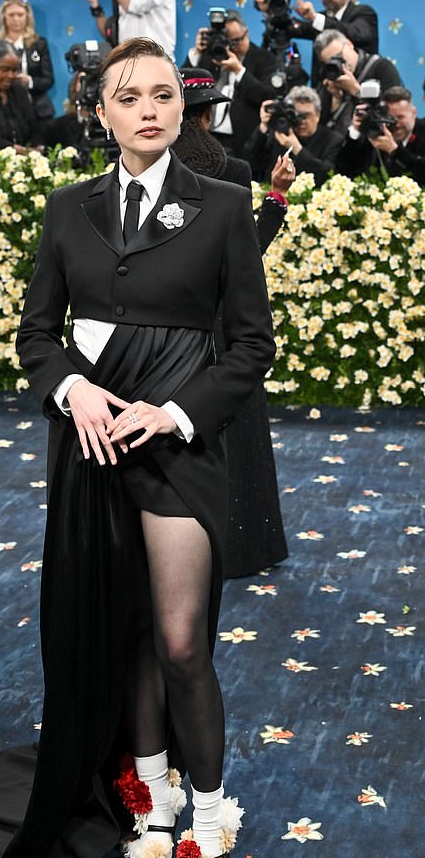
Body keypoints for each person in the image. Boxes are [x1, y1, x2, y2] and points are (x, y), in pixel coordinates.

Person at [0, 37, 275, 858]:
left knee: (182, 639)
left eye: (164, 94)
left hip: (179, 448)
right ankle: (150, 802)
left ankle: (210, 809)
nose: (150, 108)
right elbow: (36, 334)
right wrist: (72, 389)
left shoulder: (226, 206)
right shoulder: (66, 209)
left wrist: (177, 412)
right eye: (130, 96)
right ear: (103, 112)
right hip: (90, 447)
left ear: (182, 109)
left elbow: (251, 346)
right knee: (122, 636)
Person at [172, 67, 291, 578]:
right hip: (224, 328)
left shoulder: (145, 170)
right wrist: (278, 197)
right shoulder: (236, 171)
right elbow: (250, 255)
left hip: (168, 329)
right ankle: (245, 548)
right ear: (211, 113)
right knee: (237, 437)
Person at [183, 9, 277, 156]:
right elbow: (184, 84)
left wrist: (239, 70)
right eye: (227, 41)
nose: (231, 47)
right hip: (207, 136)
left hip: (243, 142)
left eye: (235, 41)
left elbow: (267, 95)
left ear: (246, 32)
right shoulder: (212, 54)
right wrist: (197, 53)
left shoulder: (264, 58)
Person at [244, 85, 342, 186]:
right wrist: (264, 126)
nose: (301, 121)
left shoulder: (333, 139)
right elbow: (251, 164)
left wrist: (297, 149)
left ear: (318, 115)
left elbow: (327, 176)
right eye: (297, 115)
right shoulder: (280, 135)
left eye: (306, 116)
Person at [315, 29, 401, 138]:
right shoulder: (330, 77)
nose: (338, 63)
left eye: (339, 55)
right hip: (341, 147)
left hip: (371, 144)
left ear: (350, 44)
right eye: (330, 62)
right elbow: (320, 126)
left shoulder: (381, 67)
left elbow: (393, 113)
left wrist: (356, 91)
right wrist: (335, 99)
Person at [336, 86, 425, 186]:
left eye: (400, 117)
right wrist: (355, 132)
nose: (395, 124)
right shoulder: (376, 130)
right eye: (390, 118)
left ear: (413, 113)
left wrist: (394, 150)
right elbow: (344, 172)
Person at [0, 0, 54, 121]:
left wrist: (29, 82)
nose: (16, 19)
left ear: (27, 16)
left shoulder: (39, 43)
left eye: (20, 15)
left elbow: (48, 79)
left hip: (37, 109)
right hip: (5, 110)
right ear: (4, 16)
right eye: (11, 15)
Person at [82, 0, 176, 59]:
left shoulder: (127, 0)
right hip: (128, 62)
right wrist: (95, 6)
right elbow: (110, 34)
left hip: (156, 61)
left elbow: (131, 4)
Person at [293, 0, 378, 56]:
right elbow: (299, 29)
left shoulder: (364, 12)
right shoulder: (321, 18)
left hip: (358, 79)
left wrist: (316, 19)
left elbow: (356, 33)